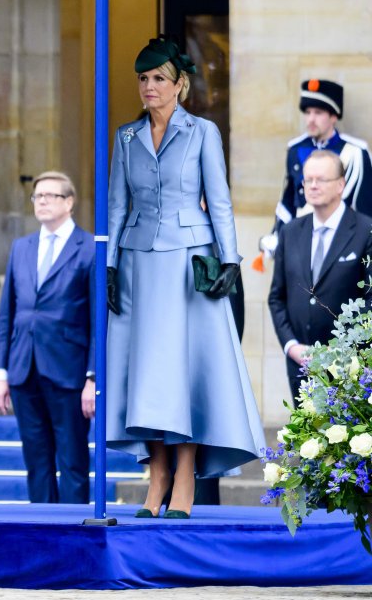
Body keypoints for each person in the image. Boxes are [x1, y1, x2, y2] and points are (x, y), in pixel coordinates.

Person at [105, 37, 263, 520]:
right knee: (144, 375)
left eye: (158, 79)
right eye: (143, 79)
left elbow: (219, 200)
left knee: (185, 370)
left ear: (180, 86)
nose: (149, 87)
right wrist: (109, 265)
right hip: (136, 263)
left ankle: (185, 482)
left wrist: (231, 261)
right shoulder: (125, 138)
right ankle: (155, 480)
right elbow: (116, 206)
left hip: (189, 265)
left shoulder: (202, 133)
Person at [0, 172, 95, 504]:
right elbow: (8, 314)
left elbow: (98, 320)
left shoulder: (90, 248)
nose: (43, 202)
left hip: (68, 371)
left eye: (51, 196)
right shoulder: (22, 247)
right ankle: (43, 529)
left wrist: (93, 378)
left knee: (73, 462)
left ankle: (75, 536)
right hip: (23, 369)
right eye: (38, 196)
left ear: (69, 202)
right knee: (36, 462)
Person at [268, 150, 372, 399]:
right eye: (307, 180)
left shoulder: (365, 231)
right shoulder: (290, 232)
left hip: (351, 367)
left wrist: (344, 351)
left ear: (340, 184)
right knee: (304, 435)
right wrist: (291, 346)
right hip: (300, 365)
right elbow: (277, 298)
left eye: (321, 180)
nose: (312, 186)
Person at [261, 79, 372, 253]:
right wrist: (277, 235)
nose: (311, 119)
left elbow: (365, 207)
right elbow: (289, 200)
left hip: (340, 242)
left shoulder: (355, 153)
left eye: (318, 113)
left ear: (333, 116)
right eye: (308, 112)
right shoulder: (296, 149)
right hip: (301, 242)